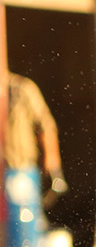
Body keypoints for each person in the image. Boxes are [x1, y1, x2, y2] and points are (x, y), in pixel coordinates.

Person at [6, 71, 65, 201]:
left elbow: (45, 125)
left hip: (20, 169)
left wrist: (52, 159)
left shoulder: (21, 88)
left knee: (23, 216)